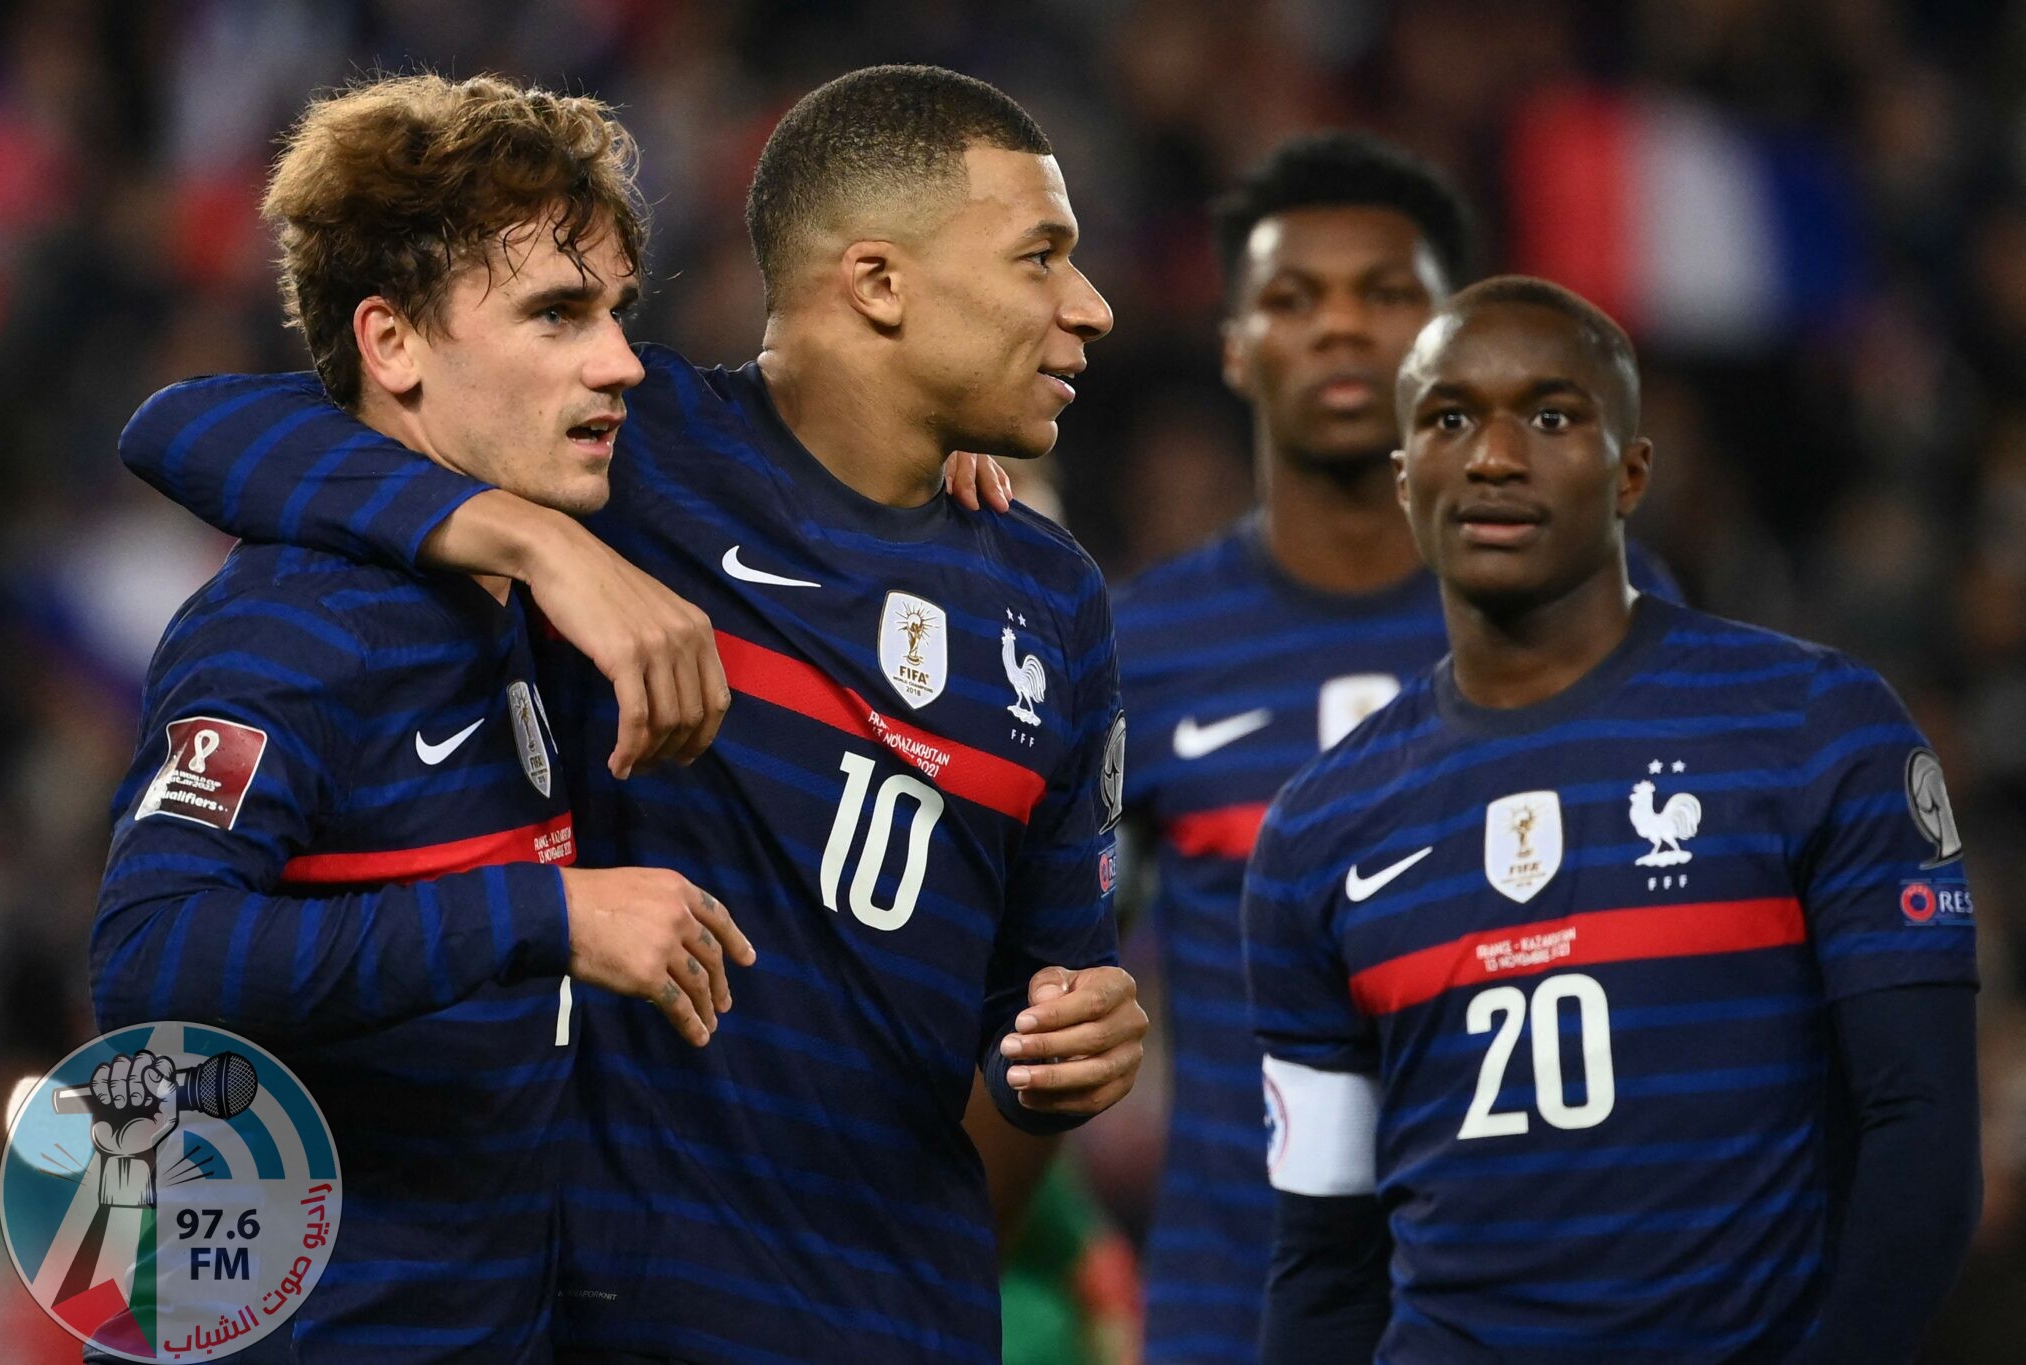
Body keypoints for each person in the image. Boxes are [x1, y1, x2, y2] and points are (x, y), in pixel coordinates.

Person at [117, 64, 1149, 1364]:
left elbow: (1040, 986)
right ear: (879, 283)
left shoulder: (1048, 594)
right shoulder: (629, 464)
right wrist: (548, 549)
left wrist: (1078, 1026)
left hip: (905, 1312)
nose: (1093, 306)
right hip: (621, 1312)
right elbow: (190, 427)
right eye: (1040, 257)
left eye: (611, 313)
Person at [89, 75, 756, 1362]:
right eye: (555, 314)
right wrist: (547, 916)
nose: (619, 359)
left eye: (616, 312)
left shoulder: (507, 586)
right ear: (390, 344)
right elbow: (152, 957)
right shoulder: (292, 628)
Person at [1244, 276, 1981, 1362]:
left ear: (1631, 470)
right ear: (1403, 479)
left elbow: (1919, 1137)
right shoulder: (1318, 830)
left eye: (1550, 416)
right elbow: (1321, 1253)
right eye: (1449, 419)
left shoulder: (1817, 732)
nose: (1494, 456)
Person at [1114, 131, 1676, 1363]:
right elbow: (1050, 978)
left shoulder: (1607, 607)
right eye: (1290, 298)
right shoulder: (1139, 649)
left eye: (1385, 295)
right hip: (1238, 1310)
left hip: (1556, 1305)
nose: (1337, 330)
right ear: (1232, 346)